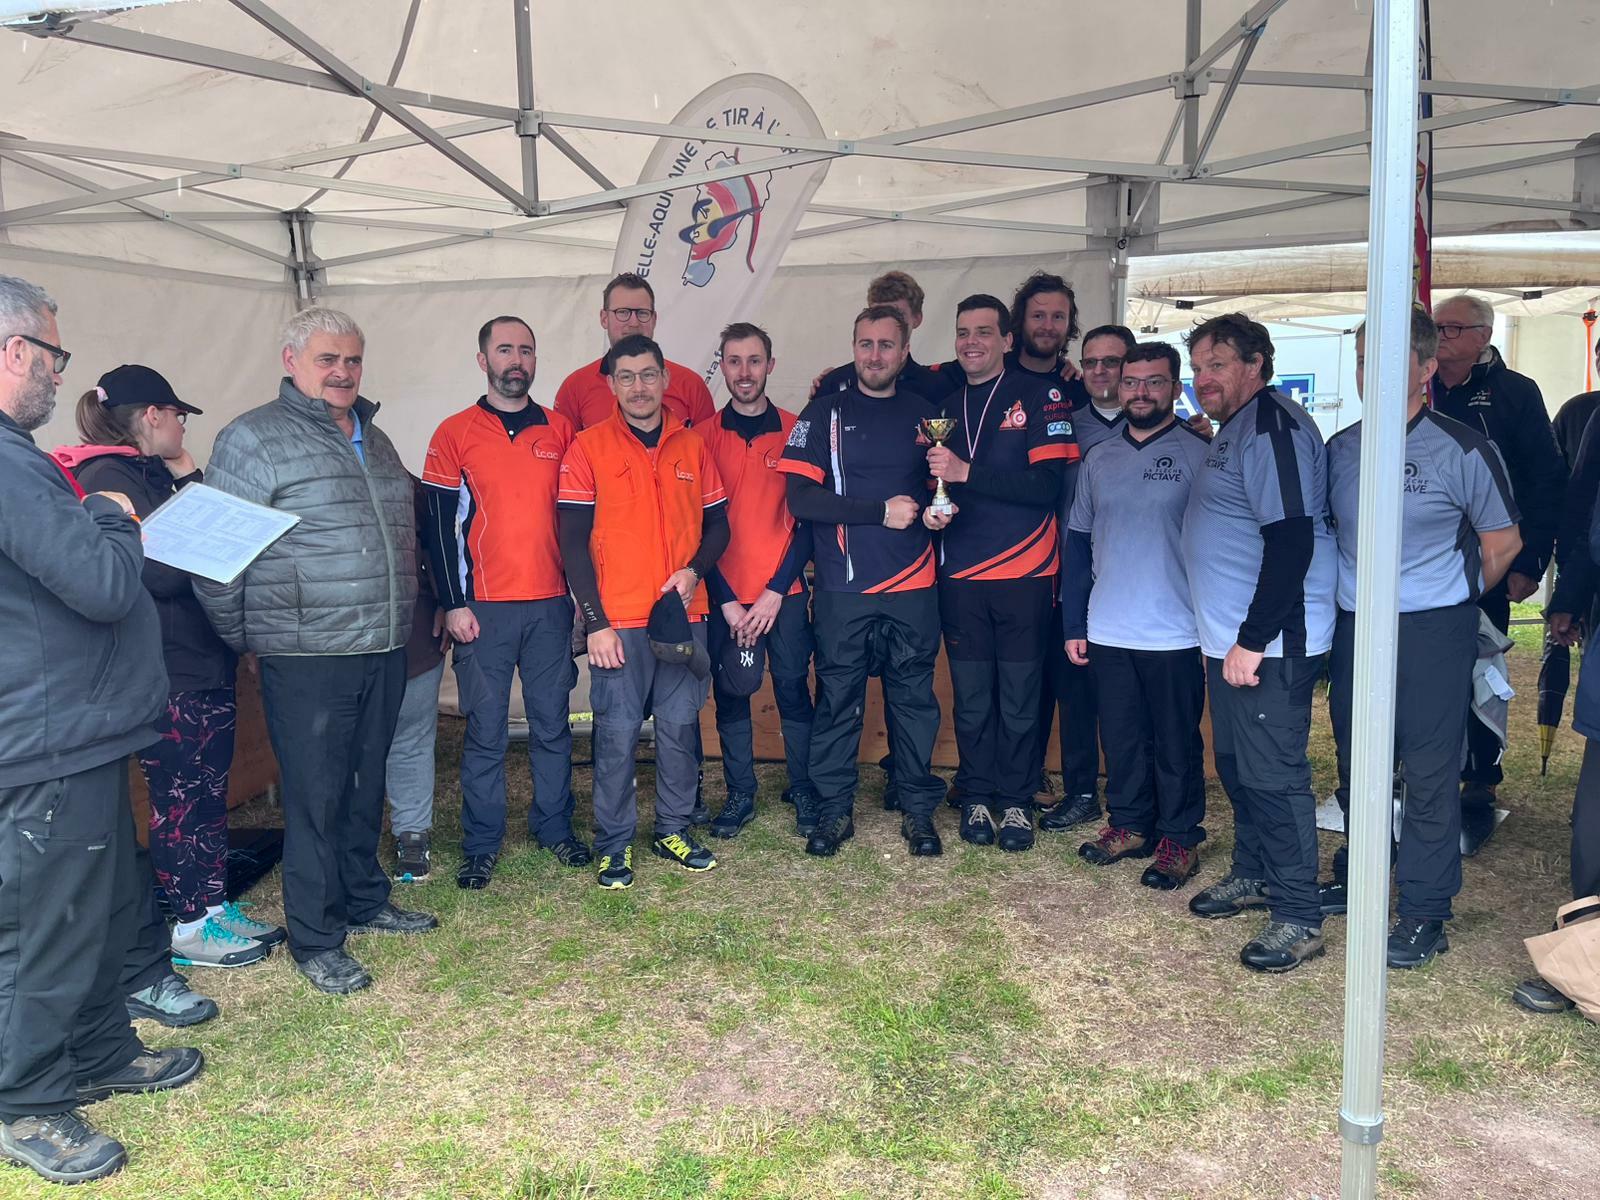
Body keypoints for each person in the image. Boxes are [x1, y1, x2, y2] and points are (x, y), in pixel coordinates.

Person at [0, 275, 202, 1185]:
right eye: (54, 354)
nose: (59, 374)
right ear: (15, 350)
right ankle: (27, 1102)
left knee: (98, 908)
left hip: (76, 729)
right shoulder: (8, 463)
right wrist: (112, 518)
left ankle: (100, 1050)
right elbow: (104, 584)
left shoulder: (18, 455)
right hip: (43, 735)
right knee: (44, 927)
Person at [195, 307, 437, 996]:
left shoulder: (375, 437)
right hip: (307, 654)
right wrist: (249, 637)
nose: (342, 372)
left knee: (365, 783)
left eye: (352, 360)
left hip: (381, 642)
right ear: (291, 360)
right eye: (328, 359)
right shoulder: (252, 438)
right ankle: (317, 936)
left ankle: (363, 898)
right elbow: (215, 559)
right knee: (315, 797)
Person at [61, 368, 284, 1013]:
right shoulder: (107, 478)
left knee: (207, 793)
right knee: (181, 799)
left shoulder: (150, 472)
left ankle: (211, 905)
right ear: (151, 414)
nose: (184, 425)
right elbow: (152, 568)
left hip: (199, 657)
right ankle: (189, 925)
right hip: (165, 667)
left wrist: (188, 473)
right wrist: (207, 545)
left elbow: (206, 529)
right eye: (178, 415)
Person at [1322, 308, 1521, 967]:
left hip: (1433, 628)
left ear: (1427, 367)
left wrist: (1447, 592)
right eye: (1361, 362)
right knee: (1358, 760)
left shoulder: (1461, 448)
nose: (1368, 374)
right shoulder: (1340, 449)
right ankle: (1361, 874)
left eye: (1385, 361)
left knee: (1430, 770)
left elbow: (1502, 543)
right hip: (1356, 626)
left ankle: (1425, 910)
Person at [1180, 313, 1337, 974]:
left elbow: (1291, 539)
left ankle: (1299, 914)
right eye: (1197, 367)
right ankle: (1253, 872)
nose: (1203, 379)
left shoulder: (1273, 428)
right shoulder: (1238, 427)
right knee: (1238, 766)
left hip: (1270, 644)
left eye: (1217, 364)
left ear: (1255, 364)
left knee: (1275, 778)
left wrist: (1251, 639)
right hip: (1233, 643)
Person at [557, 334, 729, 889]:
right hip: (618, 623)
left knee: (679, 729)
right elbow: (572, 543)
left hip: (683, 615)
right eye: (626, 376)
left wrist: (694, 572)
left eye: (648, 374)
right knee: (616, 735)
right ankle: (614, 845)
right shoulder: (587, 448)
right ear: (611, 383)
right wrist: (596, 622)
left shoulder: (692, 446)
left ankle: (673, 828)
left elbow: (719, 526)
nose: (638, 387)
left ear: (666, 379)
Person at [422, 316, 582, 890]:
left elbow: (581, 523)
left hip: (549, 607)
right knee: (486, 731)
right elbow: (438, 527)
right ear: (483, 359)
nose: (517, 360)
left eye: (527, 351)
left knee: (552, 725)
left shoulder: (562, 430)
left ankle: (555, 828)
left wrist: (582, 602)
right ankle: (482, 843)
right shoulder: (454, 433)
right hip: (482, 611)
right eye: (505, 349)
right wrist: (453, 602)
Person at [780, 305, 946, 857]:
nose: (875, 356)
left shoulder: (926, 415)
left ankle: (918, 810)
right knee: (837, 700)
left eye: (886, 345)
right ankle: (834, 810)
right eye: (865, 344)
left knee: (913, 700)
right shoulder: (822, 412)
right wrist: (878, 512)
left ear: (905, 351)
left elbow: (941, 492)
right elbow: (801, 500)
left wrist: (938, 513)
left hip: (912, 583)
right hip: (843, 587)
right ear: (853, 348)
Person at [923, 294, 1076, 853]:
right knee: (971, 698)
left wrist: (968, 473)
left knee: (1018, 696)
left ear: (1008, 340)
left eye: (984, 332)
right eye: (963, 332)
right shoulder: (942, 407)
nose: (972, 342)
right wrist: (934, 510)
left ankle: (1015, 800)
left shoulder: (1041, 395)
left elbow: (1046, 487)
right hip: (960, 576)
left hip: (1025, 574)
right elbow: (929, 483)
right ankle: (977, 793)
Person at [1063, 342, 1211, 889]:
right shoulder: (1099, 458)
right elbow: (1078, 542)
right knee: (1122, 737)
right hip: (1108, 627)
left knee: (1175, 742)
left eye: (1154, 382)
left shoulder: (1200, 454)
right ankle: (1128, 824)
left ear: (1175, 388)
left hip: (1175, 629)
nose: (1140, 392)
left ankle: (1178, 837)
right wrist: (1075, 624)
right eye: (1131, 382)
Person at [1430, 293, 1565, 853]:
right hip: (1425, 560)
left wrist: (1531, 561)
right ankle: (1421, 765)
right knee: (1423, 668)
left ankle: (1482, 775)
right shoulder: (1417, 384)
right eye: (1436, 326)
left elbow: (1546, 480)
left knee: (1481, 667)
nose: (1440, 335)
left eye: (1452, 328)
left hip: (1491, 560)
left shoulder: (1515, 393)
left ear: (1484, 336)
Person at [697, 322, 816, 837]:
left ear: (770, 365)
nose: (744, 372)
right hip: (724, 598)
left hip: (782, 594)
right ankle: (740, 793)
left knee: (792, 688)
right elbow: (696, 528)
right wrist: (725, 599)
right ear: (722, 367)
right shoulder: (700, 437)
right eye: (734, 361)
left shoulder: (798, 430)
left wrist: (774, 591)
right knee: (731, 692)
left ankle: (804, 786)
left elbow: (809, 521)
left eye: (754, 360)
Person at [386, 471, 449, 882]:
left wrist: (448, 601)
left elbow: (440, 545)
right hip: (340, 635)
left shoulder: (406, 485)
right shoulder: (303, 480)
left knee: (410, 738)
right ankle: (340, 835)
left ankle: (412, 832)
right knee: (345, 742)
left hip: (414, 630)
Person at [554, 273, 716, 431]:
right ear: (604, 318)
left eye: (642, 313)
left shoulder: (691, 385)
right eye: (622, 312)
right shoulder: (575, 388)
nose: (633, 323)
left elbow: (707, 446)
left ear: (654, 319)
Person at [810, 270, 960, 403]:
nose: (885, 323)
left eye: (897, 314)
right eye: (878, 314)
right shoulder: (834, 383)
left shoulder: (936, 387)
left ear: (917, 319)